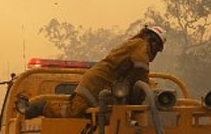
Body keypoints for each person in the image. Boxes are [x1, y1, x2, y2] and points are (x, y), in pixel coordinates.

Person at [23, 25, 166, 118]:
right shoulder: (141, 45)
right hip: (96, 81)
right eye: (155, 44)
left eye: (157, 47)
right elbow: (141, 68)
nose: (155, 49)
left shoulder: (137, 45)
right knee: (75, 110)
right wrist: (145, 89)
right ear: (149, 38)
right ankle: (43, 106)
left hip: (106, 84)